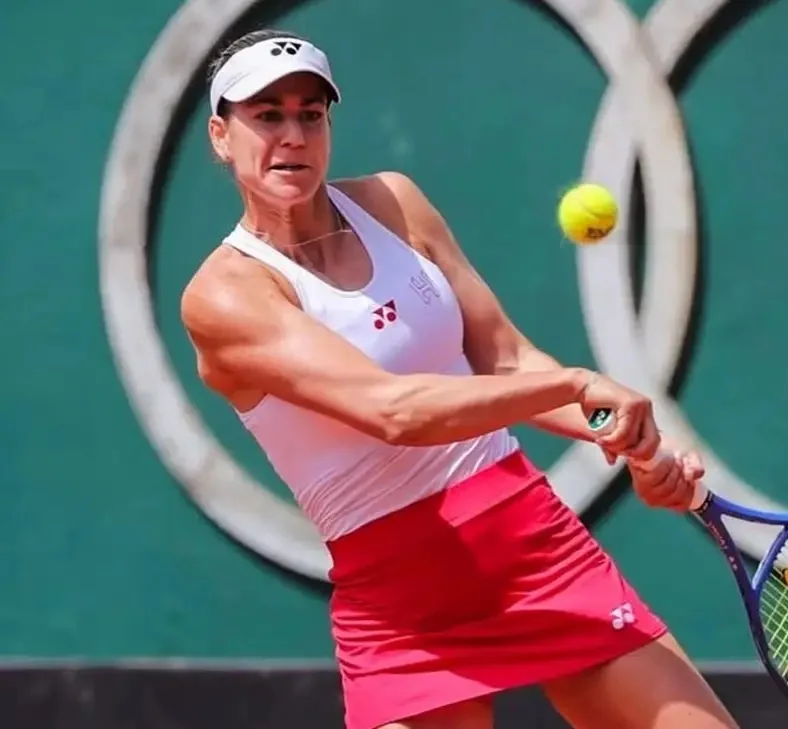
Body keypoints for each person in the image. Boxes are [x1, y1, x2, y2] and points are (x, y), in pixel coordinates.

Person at [180, 28, 741, 729]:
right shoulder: (225, 296)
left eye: (310, 114)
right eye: (267, 115)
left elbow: (505, 359)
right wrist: (574, 385)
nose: (292, 135)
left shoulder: (394, 203)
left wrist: (635, 442)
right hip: (403, 612)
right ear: (221, 135)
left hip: (537, 552)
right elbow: (395, 411)